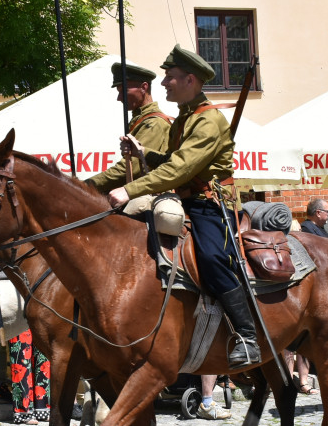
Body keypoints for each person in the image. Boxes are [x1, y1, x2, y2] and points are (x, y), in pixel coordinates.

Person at [106, 44, 260, 370]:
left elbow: (180, 171)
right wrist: (142, 154)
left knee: (212, 258)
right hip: (187, 201)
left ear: (190, 79)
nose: (164, 84)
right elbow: (172, 162)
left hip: (211, 206)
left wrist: (128, 189)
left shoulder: (208, 121)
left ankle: (247, 337)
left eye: (170, 78)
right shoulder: (183, 121)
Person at [87, 61, 172, 193]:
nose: (119, 98)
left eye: (123, 90)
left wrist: (84, 186)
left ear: (144, 87)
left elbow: (130, 168)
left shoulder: (154, 123)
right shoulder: (140, 119)